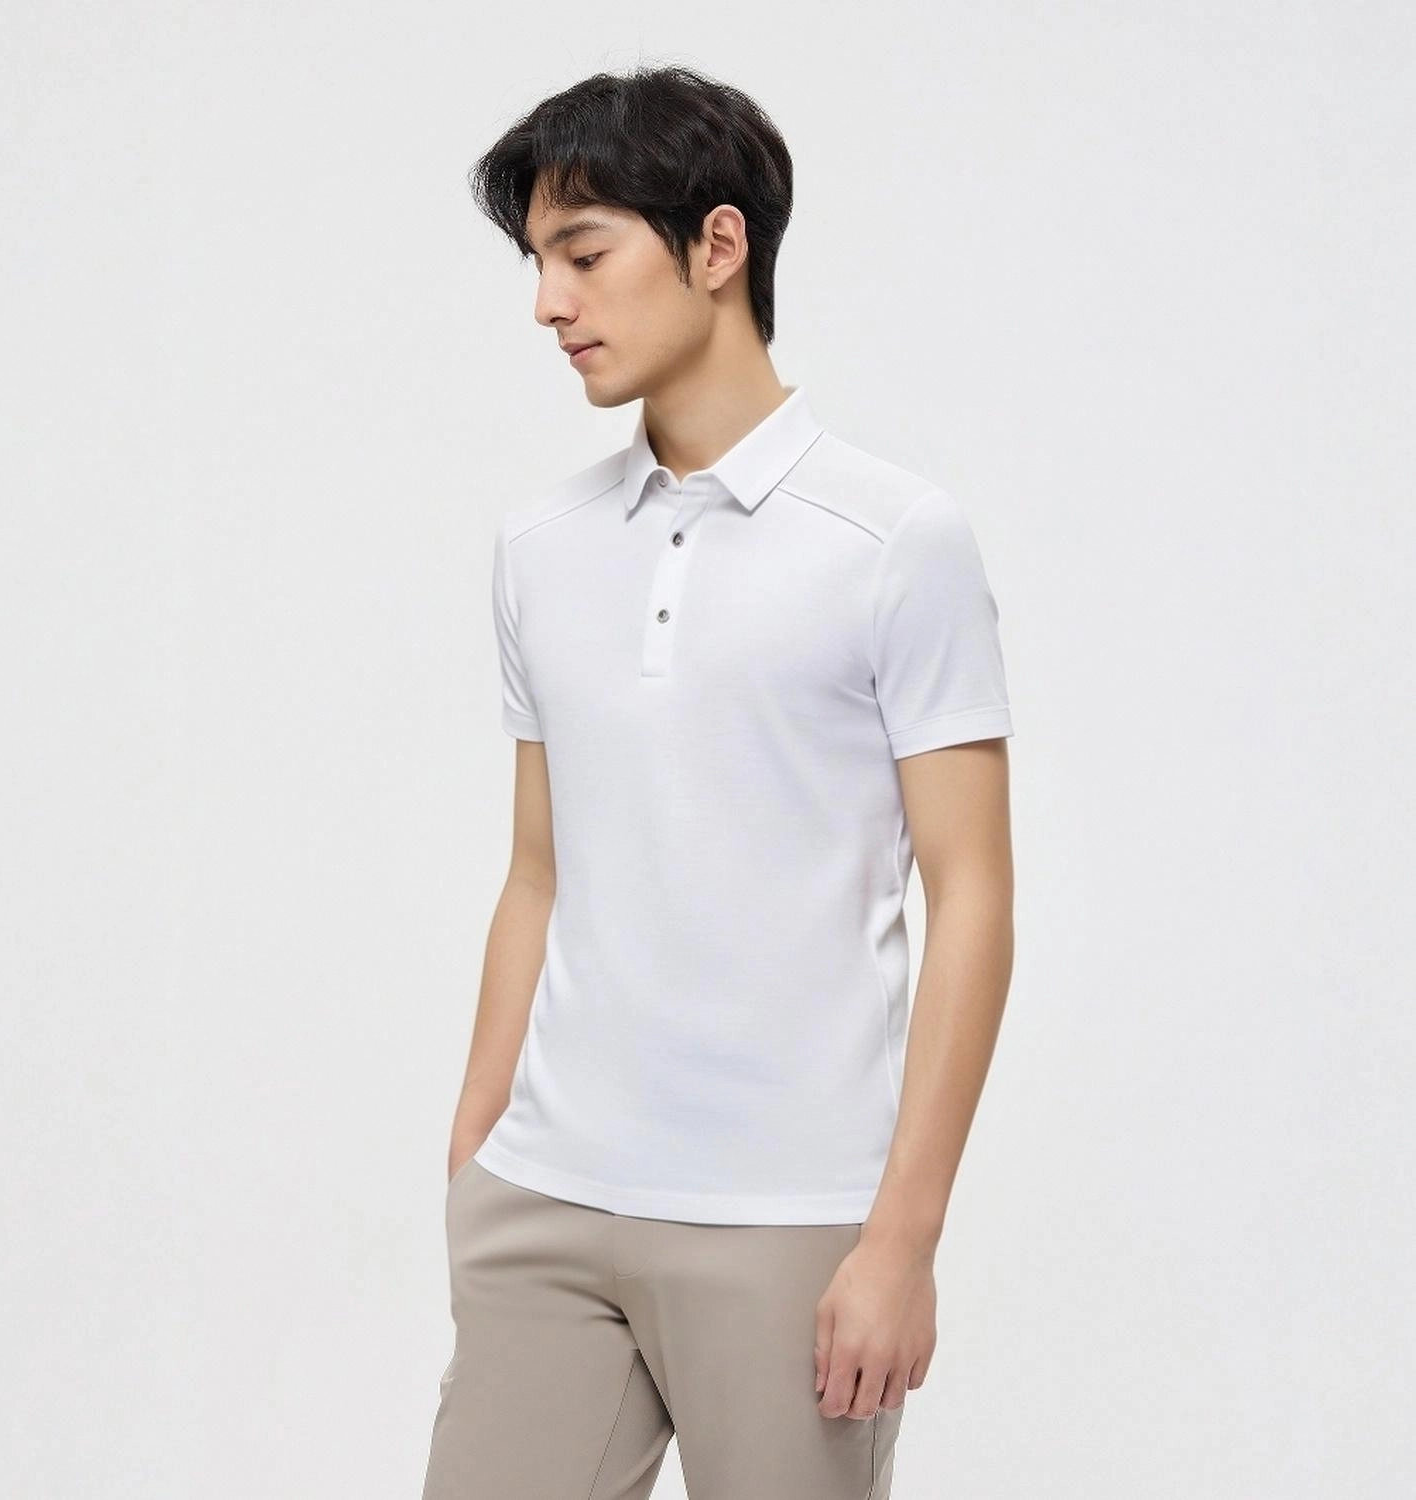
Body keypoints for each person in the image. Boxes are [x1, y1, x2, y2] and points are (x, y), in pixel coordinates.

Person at [422, 63, 1016, 1500]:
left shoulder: (893, 541)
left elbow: (973, 896)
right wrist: (475, 1154)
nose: (549, 304)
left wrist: (902, 1239)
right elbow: (538, 872)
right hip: (545, 1208)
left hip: (789, 1219)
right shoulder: (540, 550)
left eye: (583, 254)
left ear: (718, 246)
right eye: (537, 264)